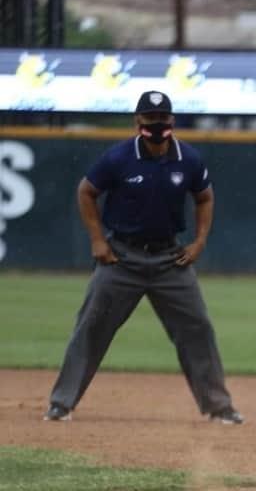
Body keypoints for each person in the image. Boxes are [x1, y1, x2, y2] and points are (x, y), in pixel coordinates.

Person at [43, 91, 243, 425]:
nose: (157, 124)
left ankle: (219, 406)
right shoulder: (119, 157)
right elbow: (86, 191)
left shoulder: (188, 158)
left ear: (172, 120)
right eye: (151, 118)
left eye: (163, 118)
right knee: (92, 326)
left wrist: (199, 242)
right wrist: (97, 239)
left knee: (197, 328)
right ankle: (61, 403)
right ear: (138, 121)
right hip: (122, 258)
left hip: (170, 259)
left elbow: (205, 197)